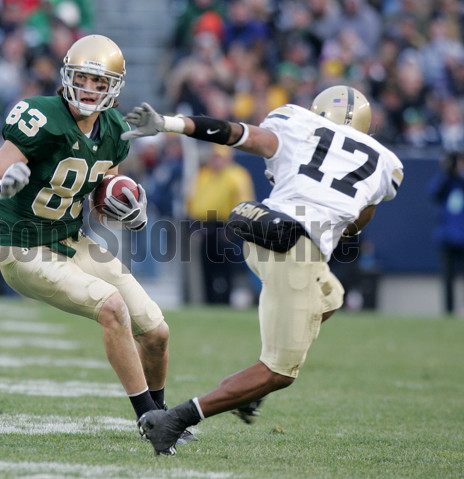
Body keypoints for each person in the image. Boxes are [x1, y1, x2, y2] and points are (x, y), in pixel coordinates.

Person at [121, 85, 404, 455]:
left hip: (262, 231)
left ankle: (246, 390)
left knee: (331, 296)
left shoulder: (295, 123)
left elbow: (234, 133)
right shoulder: (386, 162)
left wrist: (170, 123)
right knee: (278, 372)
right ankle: (174, 420)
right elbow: (360, 217)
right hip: (297, 249)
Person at [0, 34, 196, 443]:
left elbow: (99, 192)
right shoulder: (42, 117)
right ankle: (150, 421)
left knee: (157, 332)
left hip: (73, 242)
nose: (89, 89)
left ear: (113, 89)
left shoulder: (113, 130)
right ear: (67, 76)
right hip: (25, 247)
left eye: (99, 82)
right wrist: (0, 189)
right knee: (112, 307)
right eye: (83, 78)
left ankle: (163, 415)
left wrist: (130, 210)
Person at [186, 143, 256, 304]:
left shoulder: (237, 175)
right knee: (207, 267)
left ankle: (225, 301)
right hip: (205, 225)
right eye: (214, 157)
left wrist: (233, 229)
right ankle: (209, 301)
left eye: (220, 157)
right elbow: (194, 200)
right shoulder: (204, 175)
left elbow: (244, 202)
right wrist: (194, 223)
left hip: (226, 226)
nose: (216, 161)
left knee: (227, 269)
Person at [428, 150, 464, 315]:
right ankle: (448, 311)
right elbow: (433, 192)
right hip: (448, 237)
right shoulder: (447, 181)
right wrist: (447, 172)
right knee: (448, 278)